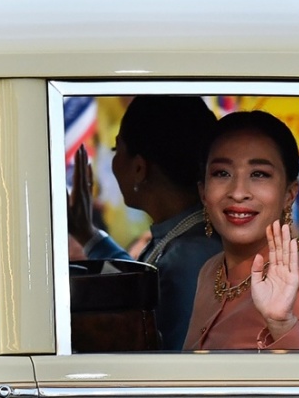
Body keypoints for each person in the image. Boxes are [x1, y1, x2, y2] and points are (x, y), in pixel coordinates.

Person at [68, 95, 222, 350]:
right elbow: (142, 282)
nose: (114, 163)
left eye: (117, 150)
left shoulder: (188, 256)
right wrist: (87, 234)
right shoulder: (185, 239)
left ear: (139, 168)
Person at [183, 110, 299, 351]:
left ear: (290, 194)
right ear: (203, 191)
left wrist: (282, 325)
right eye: (222, 173)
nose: (238, 192)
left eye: (259, 175)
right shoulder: (211, 270)